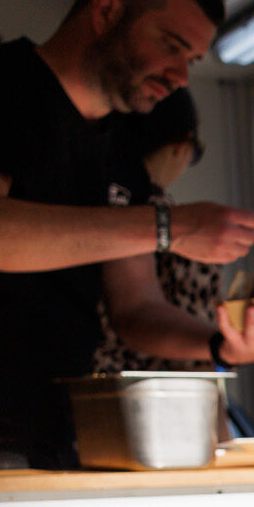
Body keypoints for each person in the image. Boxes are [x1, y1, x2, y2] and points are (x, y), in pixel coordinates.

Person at [0, 0, 254, 466]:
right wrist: (167, 228)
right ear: (107, 10)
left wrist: (222, 346)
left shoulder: (119, 153)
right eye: (171, 44)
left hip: (56, 431)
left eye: (194, 58)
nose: (181, 76)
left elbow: (136, 308)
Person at [90, 86, 218, 375]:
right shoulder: (186, 229)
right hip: (162, 403)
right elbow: (195, 359)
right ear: (181, 145)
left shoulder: (82, 213)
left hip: (87, 393)